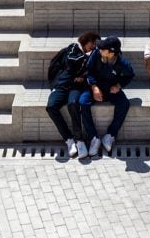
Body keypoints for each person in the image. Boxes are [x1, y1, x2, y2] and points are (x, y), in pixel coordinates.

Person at [45, 30, 99, 159]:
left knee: (73, 103)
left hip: (75, 87)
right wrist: (87, 58)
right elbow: (72, 61)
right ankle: (69, 140)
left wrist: (83, 77)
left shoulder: (89, 56)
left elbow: (90, 72)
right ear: (87, 41)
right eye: (93, 44)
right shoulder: (73, 49)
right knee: (51, 107)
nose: (94, 47)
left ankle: (79, 141)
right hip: (62, 86)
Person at [79, 36, 134, 156]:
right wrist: (94, 87)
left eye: (103, 48)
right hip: (95, 87)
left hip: (110, 89)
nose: (99, 49)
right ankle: (93, 137)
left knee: (124, 104)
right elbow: (89, 70)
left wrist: (118, 86)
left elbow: (130, 75)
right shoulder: (96, 54)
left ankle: (110, 135)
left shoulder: (122, 63)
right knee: (83, 102)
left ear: (111, 52)